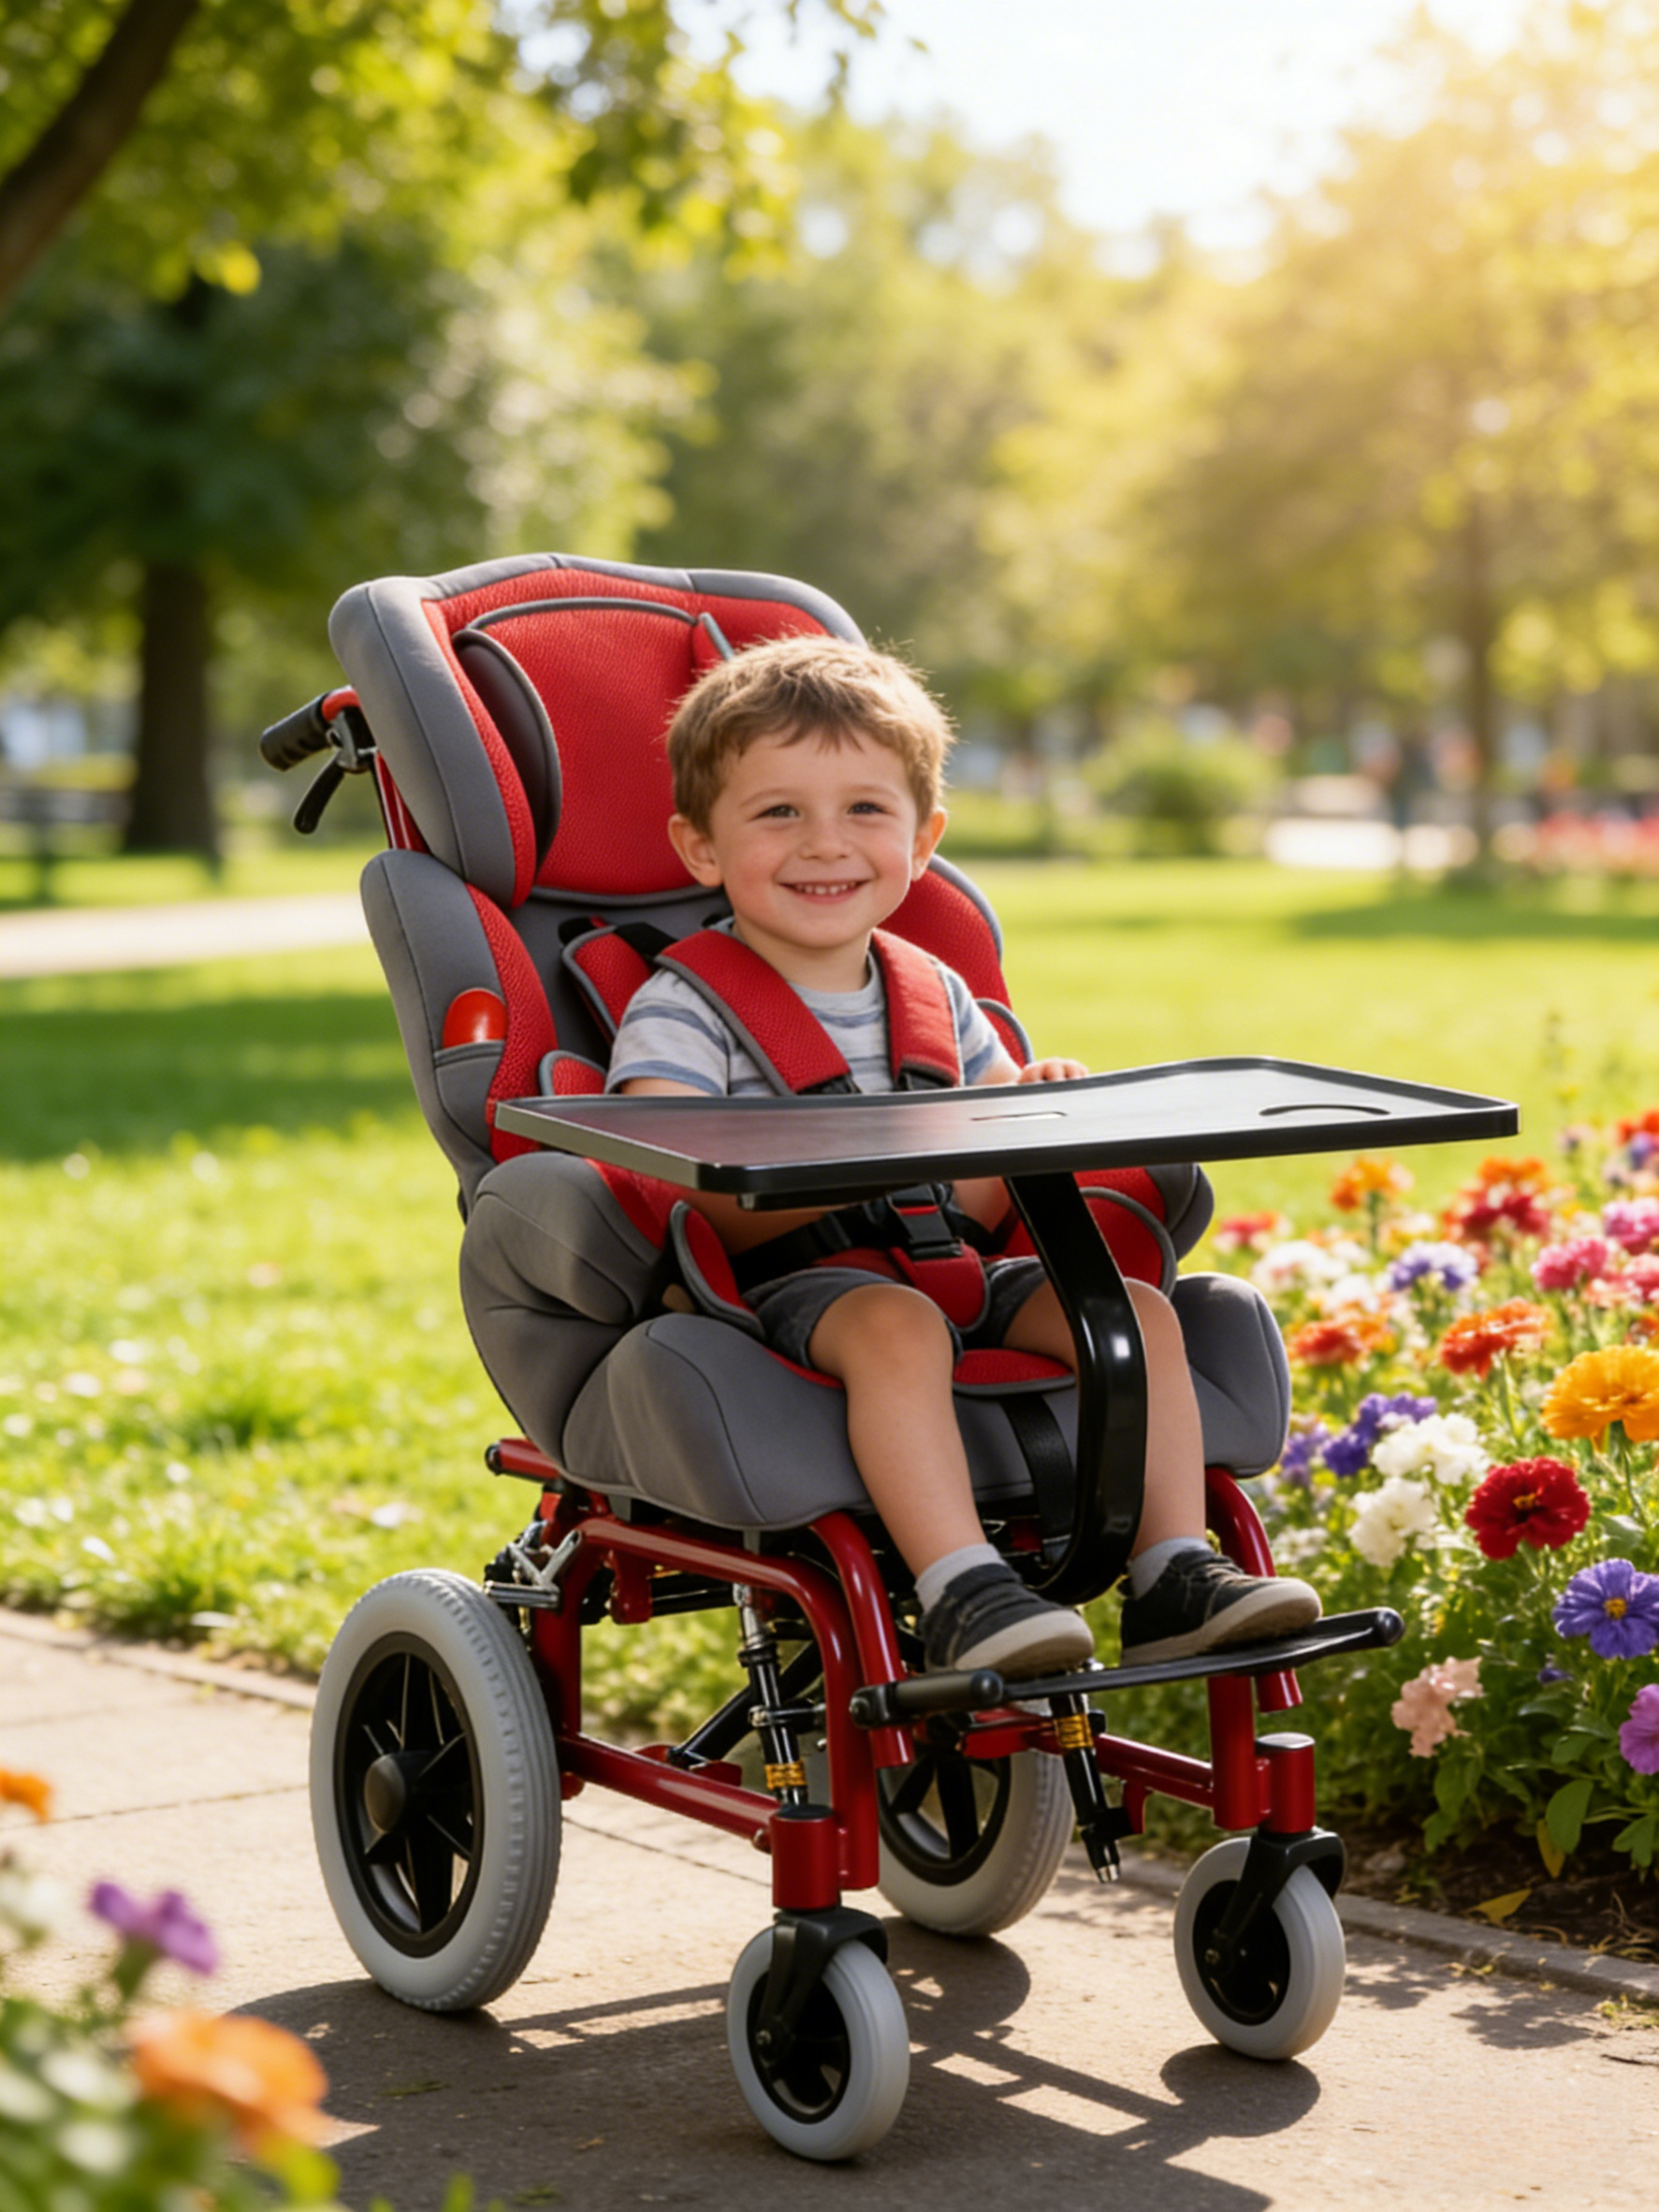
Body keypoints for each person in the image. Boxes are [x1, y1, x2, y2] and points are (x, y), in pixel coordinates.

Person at [608, 635, 1319, 1679]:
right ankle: (960, 1589)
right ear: (701, 847)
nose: (825, 844)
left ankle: (1171, 1572)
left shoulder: (935, 995)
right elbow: (676, 1172)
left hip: (953, 1264)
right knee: (896, 1326)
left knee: (1135, 1311)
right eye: (778, 812)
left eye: (864, 810)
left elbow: (981, 1193)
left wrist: (1030, 1114)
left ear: (924, 837)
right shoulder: (683, 1005)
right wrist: (868, 1152)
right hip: (796, 1280)